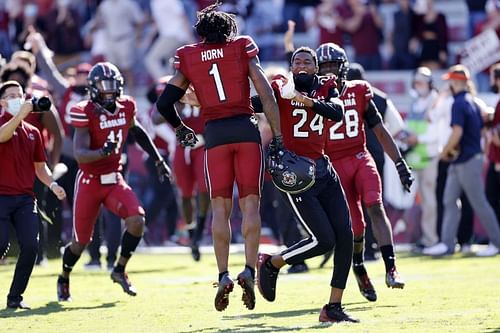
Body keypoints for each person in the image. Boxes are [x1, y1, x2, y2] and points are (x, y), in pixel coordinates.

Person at [155, 1, 282, 312]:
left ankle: (223, 273)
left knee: (219, 208)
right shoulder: (241, 47)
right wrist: (278, 138)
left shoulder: (188, 55)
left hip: (215, 135)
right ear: (229, 28)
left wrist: (181, 128)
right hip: (245, 129)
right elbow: (265, 94)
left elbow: (164, 104)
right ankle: (249, 270)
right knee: (250, 205)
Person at [253, 46, 357, 323]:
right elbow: (254, 103)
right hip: (296, 173)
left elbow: (337, 112)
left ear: (316, 67)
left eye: (308, 61)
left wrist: (303, 100)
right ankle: (273, 262)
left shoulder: (326, 85)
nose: (302, 64)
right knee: (324, 240)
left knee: (345, 236)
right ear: (291, 66)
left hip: (323, 169)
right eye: (297, 60)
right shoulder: (279, 86)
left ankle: (333, 306)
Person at [56, 61, 172, 301]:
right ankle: (64, 276)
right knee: (80, 242)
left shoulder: (126, 106)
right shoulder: (84, 110)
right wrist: (103, 152)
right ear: (94, 88)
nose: (109, 91)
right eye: (104, 86)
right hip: (89, 180)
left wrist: (158, 158)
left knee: (137, 219)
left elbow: (137, 131)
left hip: (114, 179)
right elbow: (80, 154)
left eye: (113, 86)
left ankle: (119, 269)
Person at [315, 42, 413, 302]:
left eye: (332, 66)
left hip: (359, 156)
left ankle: (391, 268)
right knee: (354, 226)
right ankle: (358, 267)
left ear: (343, 67)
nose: (329, 72)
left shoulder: (360, 90)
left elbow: (380, 130)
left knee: (375, 205)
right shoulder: (312, 96)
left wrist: (400, 164)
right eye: (323, 67)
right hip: (333, 164)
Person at [0, 80, 66, 309]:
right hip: (0, 197)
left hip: (25, 198)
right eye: (11, 95)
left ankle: (15, 298)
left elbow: (40, 168)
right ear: (2, 102)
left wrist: (52, 184)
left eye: (20, 94)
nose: (18, 99)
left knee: (31, 246)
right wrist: (20, 116)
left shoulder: (34, 133)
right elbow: (2, 136)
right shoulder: (3, 124)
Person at [423, 65, 500, 257]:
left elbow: (457, 132)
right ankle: (447, 244)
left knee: (479, 202)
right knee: (449, 200)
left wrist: (445, 151)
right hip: (462, 160)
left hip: (466, 160)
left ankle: (497, 242)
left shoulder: (459, 103)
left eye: (450, 81)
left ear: (457, 82)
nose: (448, 84)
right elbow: (482, 130)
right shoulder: (472, 101)